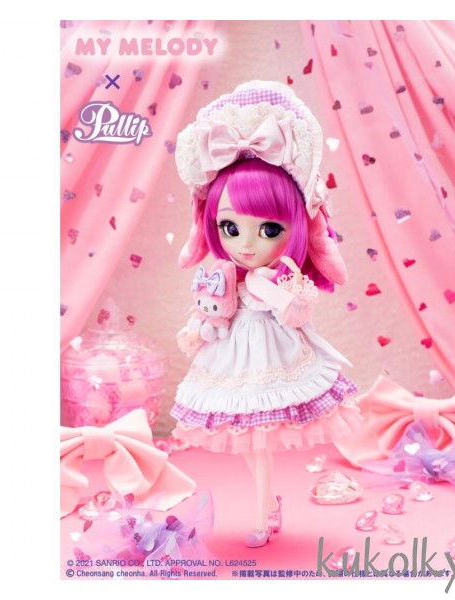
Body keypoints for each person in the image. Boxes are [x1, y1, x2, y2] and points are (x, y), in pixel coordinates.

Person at [170, 80, 363, 547]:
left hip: (274, 355)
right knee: (246, 438)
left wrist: (288, 296)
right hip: (232, 357)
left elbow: (294, 314)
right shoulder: (228, 275)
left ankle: (263, 514)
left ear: (296, 227)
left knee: (261, 441)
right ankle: (269, 505)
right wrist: (197, 328)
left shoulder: (275, 280)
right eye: (229, 227)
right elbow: (214, 309)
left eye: (270, 229)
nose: (246, 244)